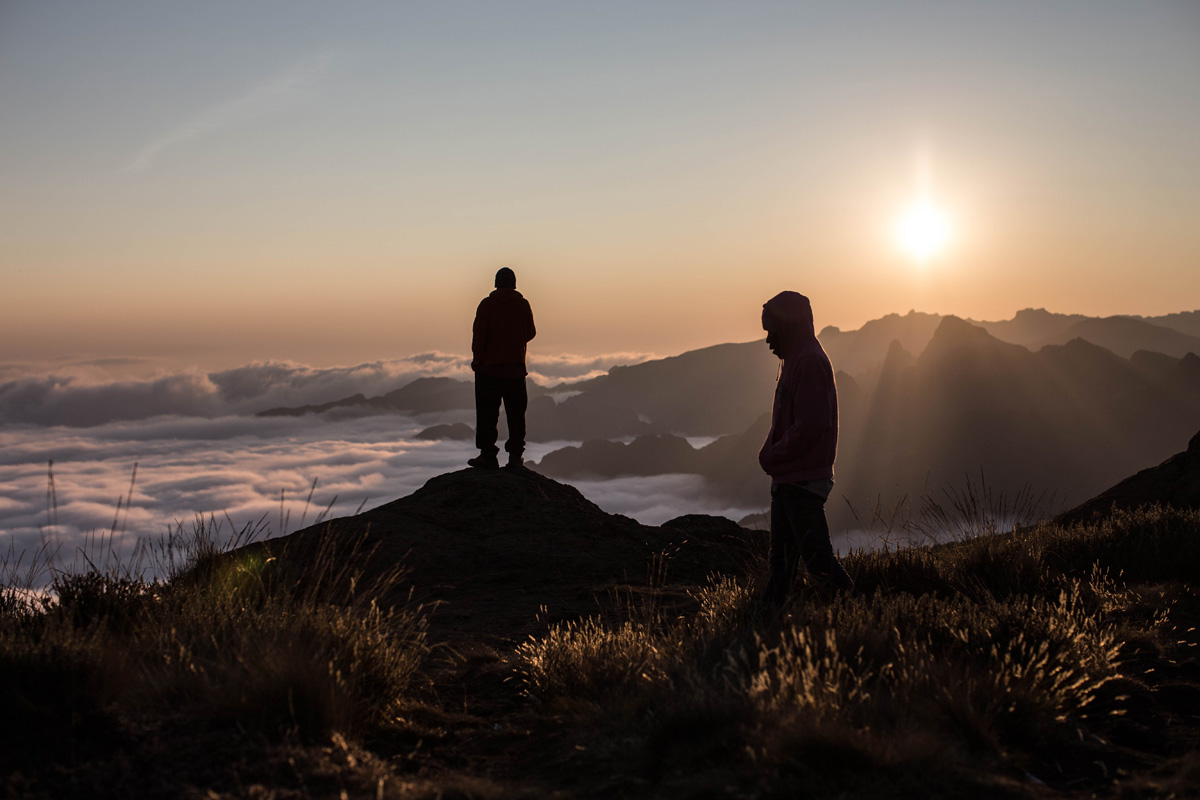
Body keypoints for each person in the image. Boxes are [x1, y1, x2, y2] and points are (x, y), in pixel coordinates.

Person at [758, 291, 854, 604]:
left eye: (772, 332)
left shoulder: (809, 361)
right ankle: (764, 629)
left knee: (817, 563)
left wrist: (773, 455)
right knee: (783, 569)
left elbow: (811, 427)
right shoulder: (795, 360)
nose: (769, 340)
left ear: (788, 328)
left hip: (802, 481)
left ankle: (858, 609)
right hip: (790, 480)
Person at [468, 267, 536, 469]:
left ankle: (488, 455)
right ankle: (515, 457)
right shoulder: (523, 305)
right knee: (516, 414)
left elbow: (478, 336)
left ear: (496, 283)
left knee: (487, 414)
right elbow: (531, 332)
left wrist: (478, 360)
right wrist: (515, 343)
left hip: (489, 370)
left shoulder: (487, 305)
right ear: (514, 283)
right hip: (515, 369)